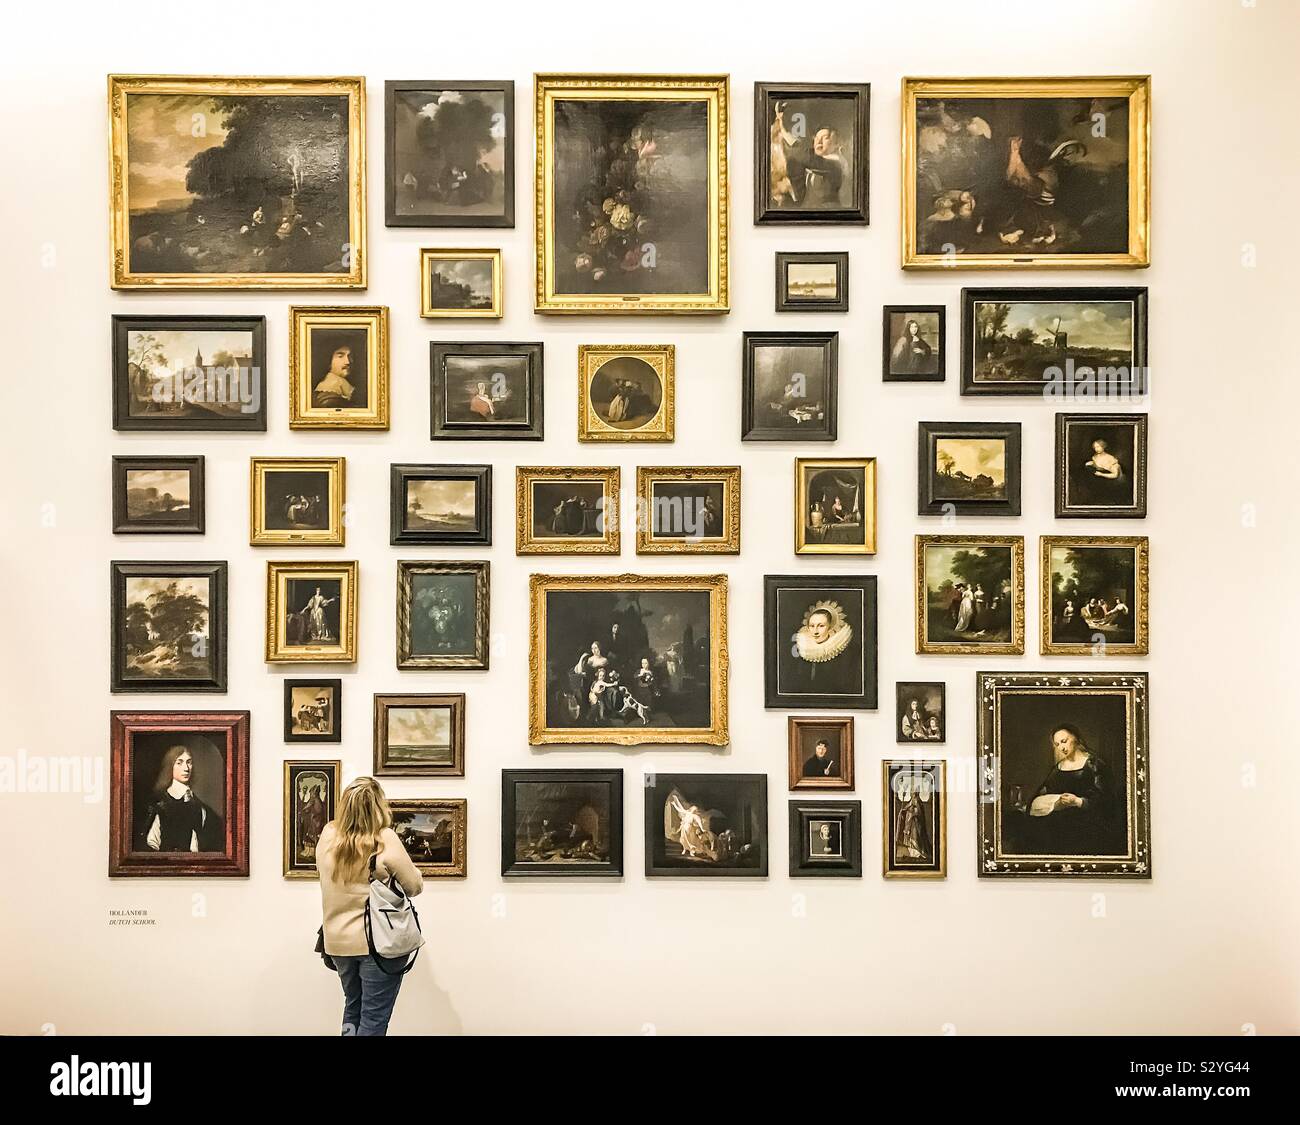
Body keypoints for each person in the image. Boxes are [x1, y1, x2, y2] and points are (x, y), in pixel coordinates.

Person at [316, 777, 423, 1036]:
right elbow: (414, 886)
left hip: (338, 943)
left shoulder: (329, 834)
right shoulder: (384, 839)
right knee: (374, 1020)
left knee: (353, 1008)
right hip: (377, 944)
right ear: (377, 806)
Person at [138, 744, 223, 852]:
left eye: (189, 762)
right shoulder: (158, 804)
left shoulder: (201, 808)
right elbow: (150, 844)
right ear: (170, 766)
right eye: (179, 763)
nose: (186, 768)